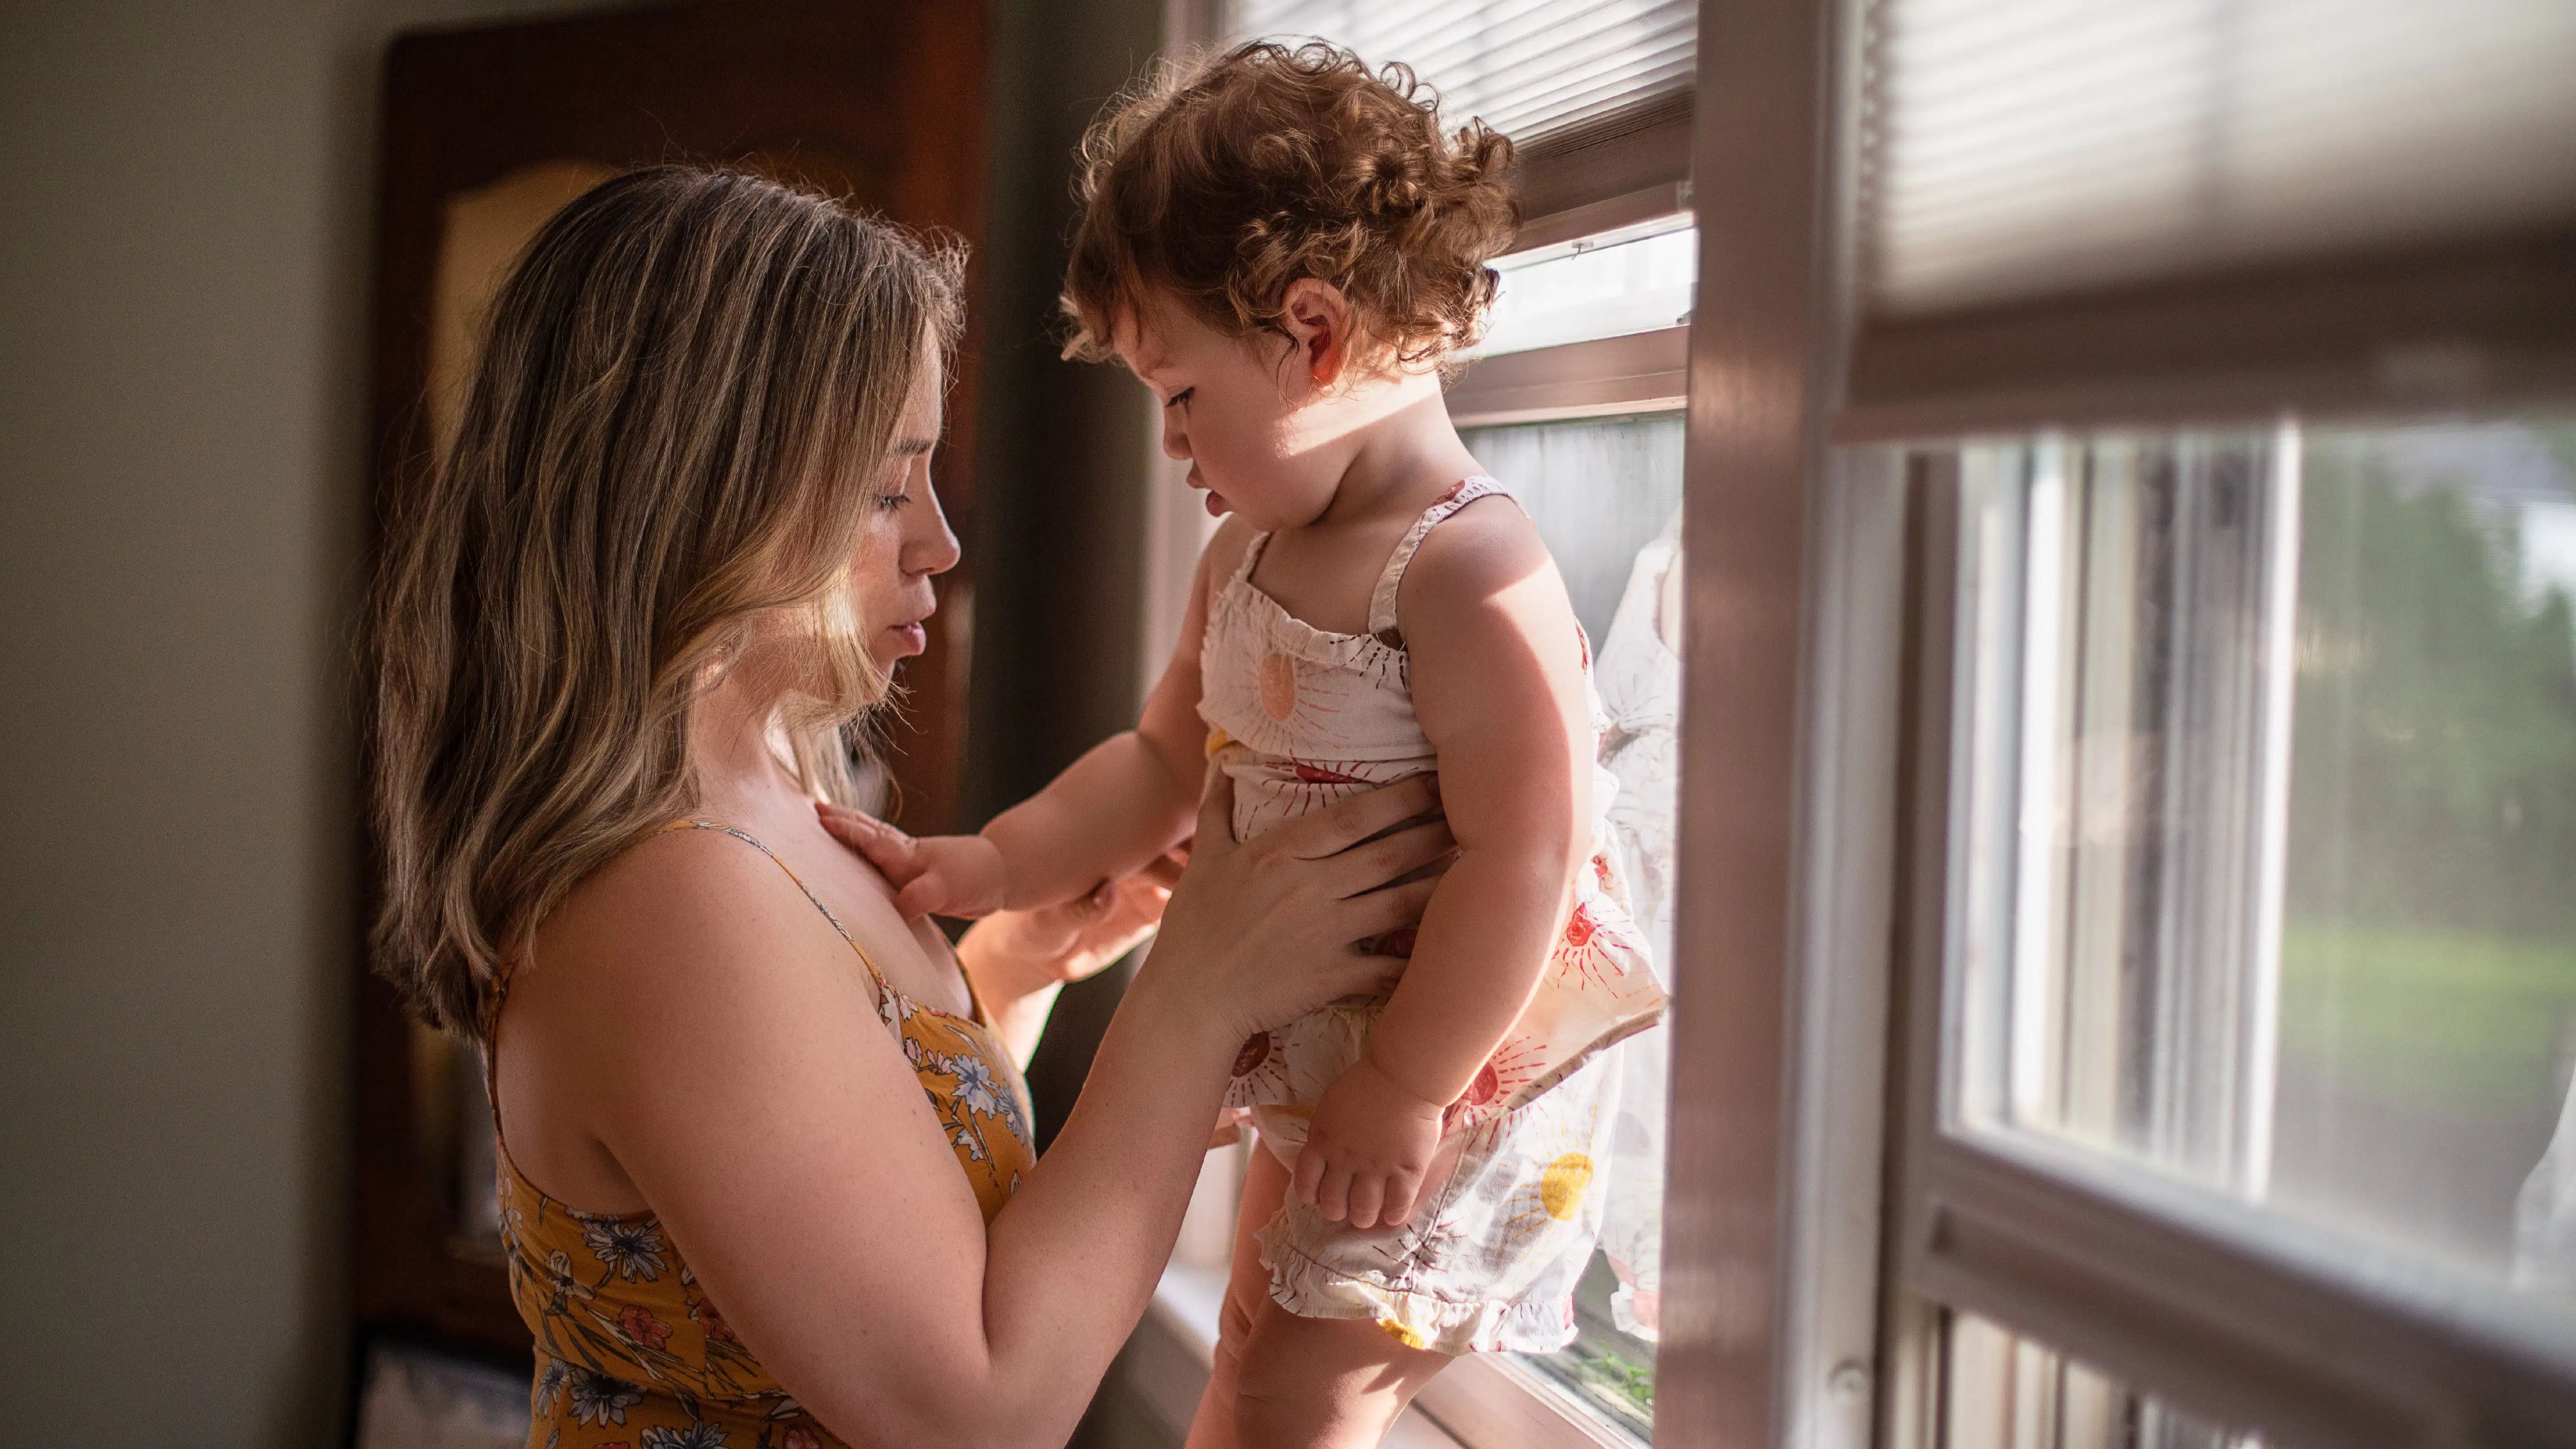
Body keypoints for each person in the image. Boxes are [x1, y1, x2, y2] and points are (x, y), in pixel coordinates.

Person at [361, 164, 1454, 1449]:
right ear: (700, 496)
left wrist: (1008, 970)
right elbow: (979, 1409)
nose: (938, 542)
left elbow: (835, 1157)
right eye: (886, 489)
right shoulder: (668, 894)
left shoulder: (773, 784)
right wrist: (1199, 992)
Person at [843, 44, 1667, 1449]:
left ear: (1314, 333)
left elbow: (1526, 857)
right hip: (1310, 1044)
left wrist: (1402, 1087)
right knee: (1248, 1346)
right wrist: (988, 860)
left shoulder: (1467, 571)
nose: (1170, 442)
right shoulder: (1242, 558)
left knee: (1298, 1394)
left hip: (1439, 1077)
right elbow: (1162, 764)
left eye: (1179, 394)